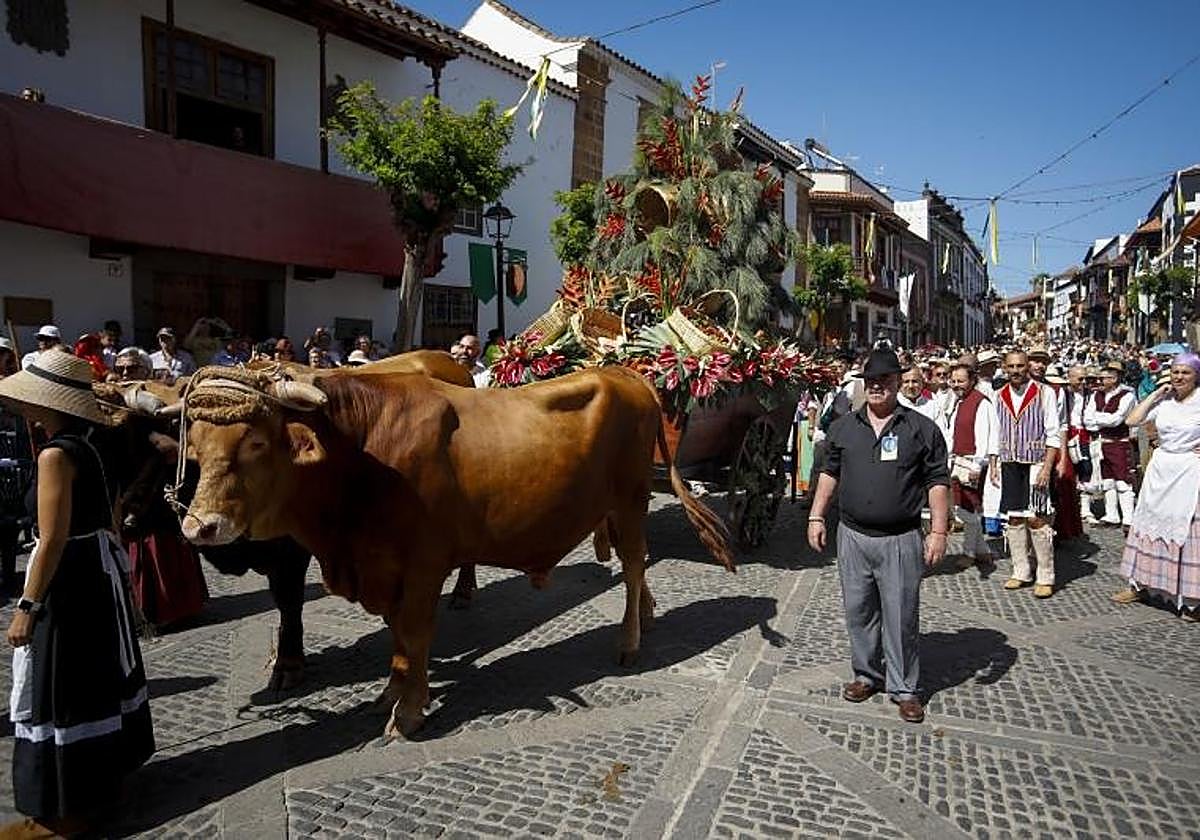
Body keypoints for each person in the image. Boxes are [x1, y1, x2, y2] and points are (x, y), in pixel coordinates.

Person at [0, 351, 154, 831]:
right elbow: (110, 518)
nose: (23, 409)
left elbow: (51, 538)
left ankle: (71, 803)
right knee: (97, 675)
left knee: (61, 684)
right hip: (98, 574)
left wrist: (28, 606)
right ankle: (108, 777)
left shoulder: (54, 455)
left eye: (29, 400)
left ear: (49, 403)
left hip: (68, 582)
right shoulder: (96, 443)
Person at [807, 348, 951, 724]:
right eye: (870, 381)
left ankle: (905, 688)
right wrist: (816, 516)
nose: (876, 388)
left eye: (884, 381)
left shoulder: (921, 429)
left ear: (898, 383)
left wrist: (938, 530)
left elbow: (937, 482)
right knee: (859, 611)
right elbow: (828, 474)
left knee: (901, 615)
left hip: (900, 538)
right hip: (853, 536)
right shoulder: (843, 427)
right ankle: (867, 674)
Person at [1113, 353, 1200, 616]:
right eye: (1175, 372)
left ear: (1196, 375)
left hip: (1189, 471)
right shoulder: (1165, 401)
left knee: (1187, 532)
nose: (1178, 377)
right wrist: (1155, 395)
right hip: (1160, 470)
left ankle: (1192, 599)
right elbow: (1132, 420)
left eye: (1185, 372)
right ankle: (1139, 584)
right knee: (1148, 526)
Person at [993, 351, 1061, 598]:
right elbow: (995, 432)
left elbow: (1054, 433)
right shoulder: (998, 395)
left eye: (1020, 366)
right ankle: (1021, 571)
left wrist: (1047, 466)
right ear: (1004, 367)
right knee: (1014, 518)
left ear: (1027, 366)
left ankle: (1045, 575)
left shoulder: (1046, 393)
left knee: (1037, 518)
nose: (1016, 370)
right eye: (1011, 366)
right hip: (1009, 461)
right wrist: (993, 463)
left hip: (1035, 461)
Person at [946, 362, 998, 572]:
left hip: (972, 463)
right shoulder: (958, 402)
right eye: (954, 381)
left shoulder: (981, 403)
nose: (956, 385)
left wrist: (978, 463)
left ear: (972, 380)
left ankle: (969, 552)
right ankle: (982, 549)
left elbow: (985, 434)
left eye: (961, 381)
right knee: (963, 506)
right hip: (958, 461)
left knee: (970, 507)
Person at [1084, 361, 1137, 528]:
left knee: (1123, 481)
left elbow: (1117, 419)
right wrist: (1101, 420)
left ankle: (1128, 518)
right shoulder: (1096, 395)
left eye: (1105, 378)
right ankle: (1111, 515)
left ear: (1115, 379)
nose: (1101, 381)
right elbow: (1087, 419)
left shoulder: (1127, 396)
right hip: (1102, 443)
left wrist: (1097, 419)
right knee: (1107, 480)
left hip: (1119, 443)